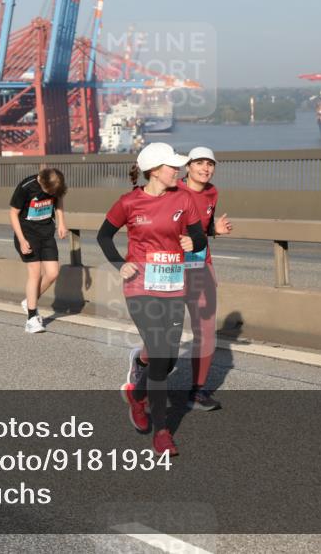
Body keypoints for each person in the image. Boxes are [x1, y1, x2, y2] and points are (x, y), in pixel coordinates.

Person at [97, 143, 207, 455]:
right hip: (140, 286)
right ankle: (162, 432)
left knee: (168, 358)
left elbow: (199, 235)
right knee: (160, 353)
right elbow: (104, 235)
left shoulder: (184, 198)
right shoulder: (129, 202)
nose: (178, 170)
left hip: (173, 286)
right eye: (173, 166)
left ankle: (137, 392)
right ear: (155, 171)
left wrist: (192, 240)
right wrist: (121, 264)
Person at [124, 146, 233, 411]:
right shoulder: (173, 191)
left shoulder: (212, 192)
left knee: (205, 331)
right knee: (161, 338)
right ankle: (141, 362)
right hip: (170, 271)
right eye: (199, 163)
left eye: (210, 164)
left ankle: (197, 391)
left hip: (200, 267)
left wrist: (213, 231)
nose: (206, 168)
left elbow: (200, 229)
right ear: (187, 167)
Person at [9, 168, 67, 333]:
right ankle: (31, 318)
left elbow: (59, 200)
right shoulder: (26, 187)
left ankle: (29, 301)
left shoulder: (55, 187)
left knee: (53, 272)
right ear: (42, 182)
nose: (50, 194)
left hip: (47, 233)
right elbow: (13, 213)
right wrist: (21, 240)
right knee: (34, 272)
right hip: (28, 235)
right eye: (49, 191)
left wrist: (62, 222)